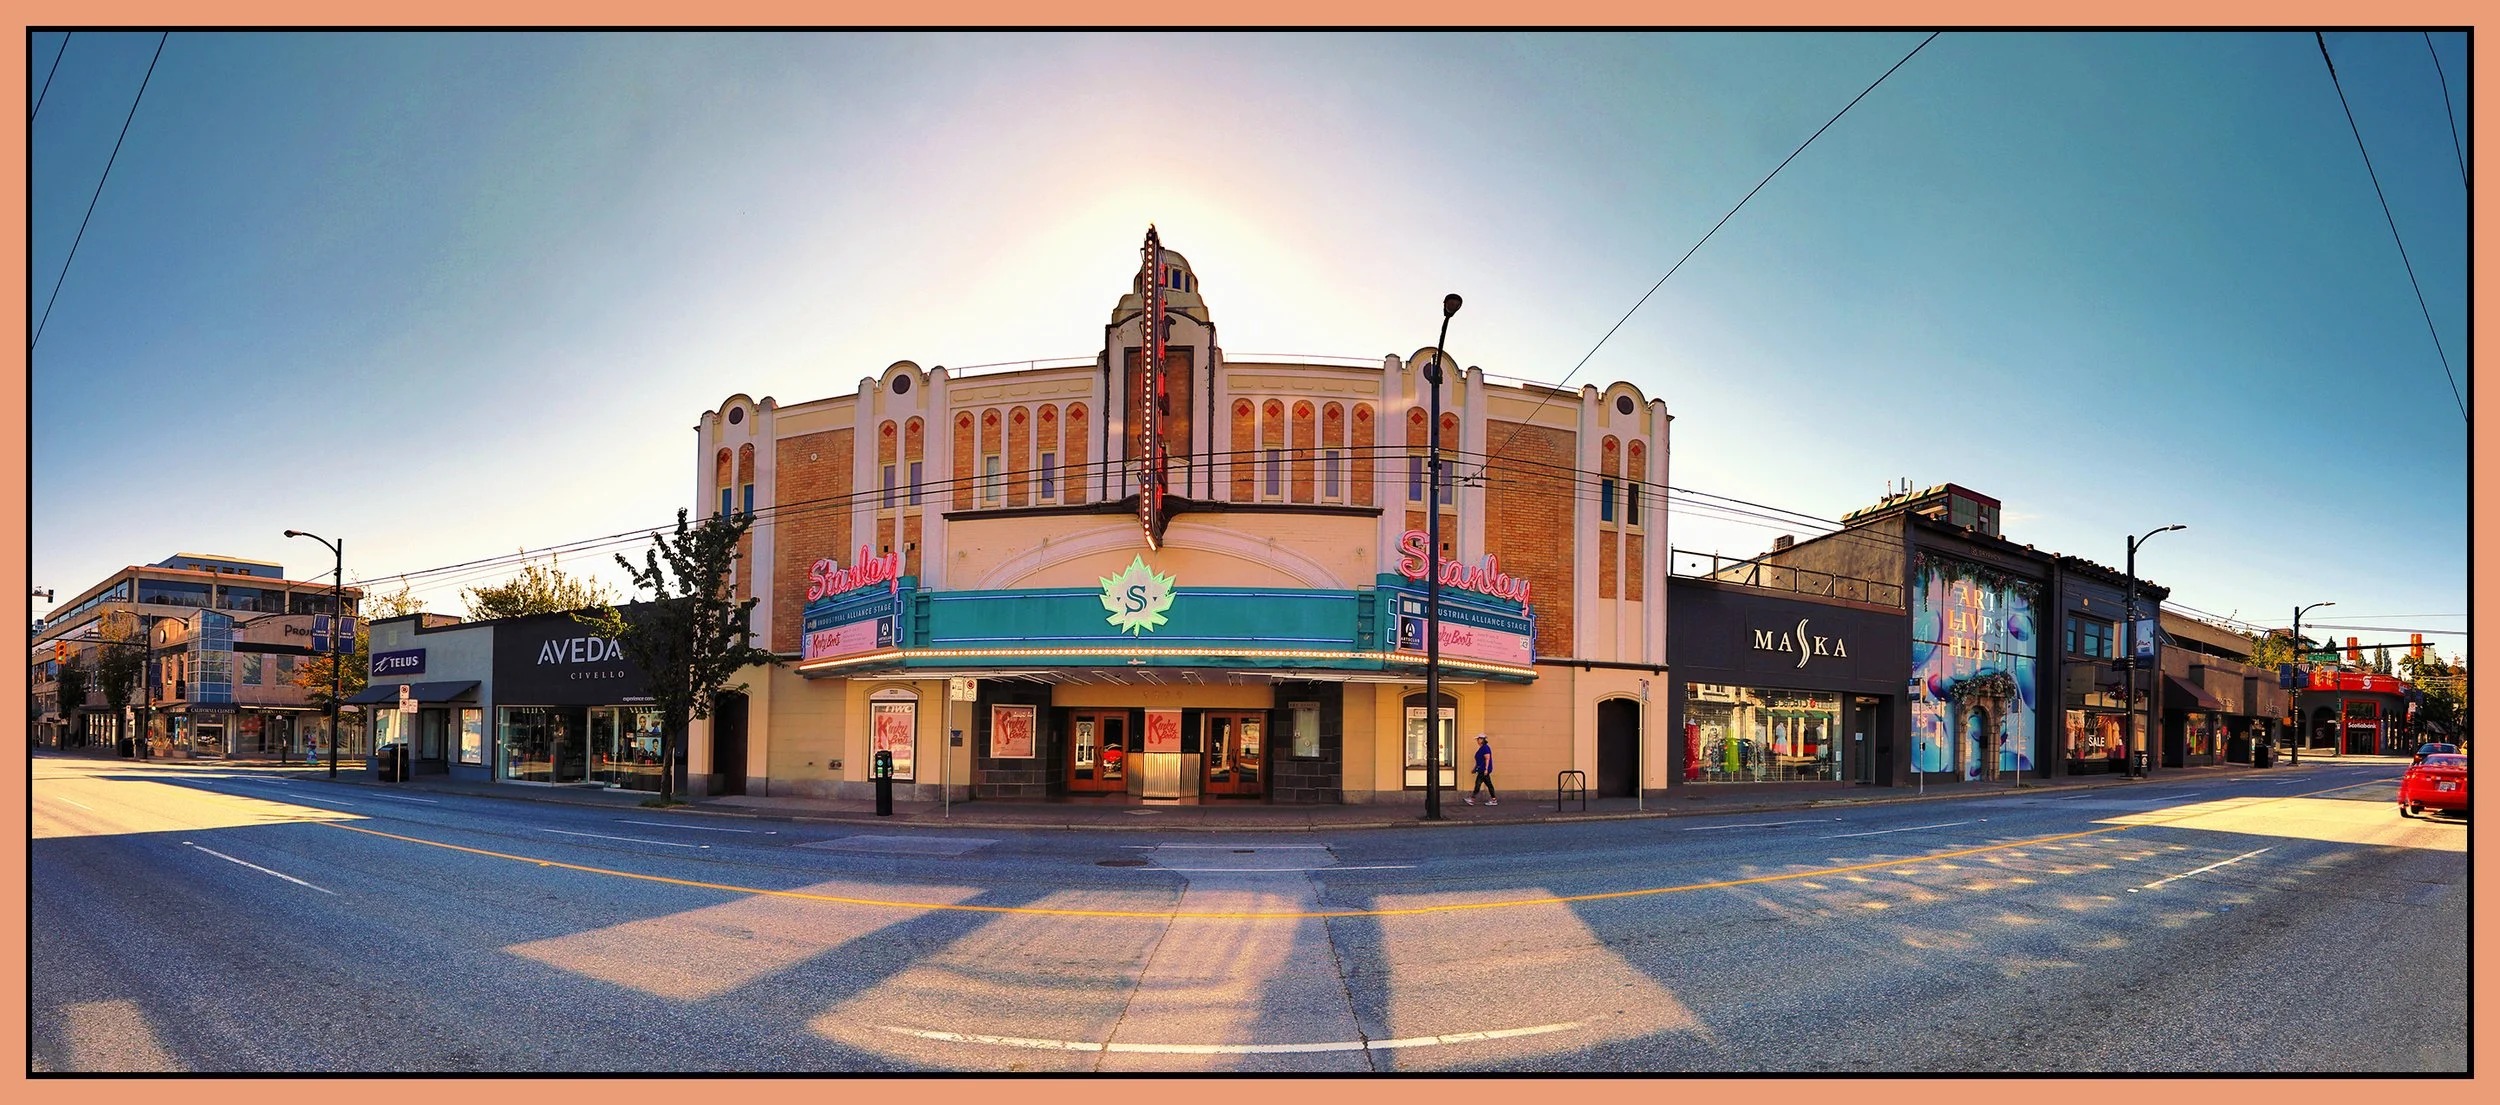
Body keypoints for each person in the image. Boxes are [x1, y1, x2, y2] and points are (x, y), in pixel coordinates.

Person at [1465, 733, 1498, 806]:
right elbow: (1479, 760)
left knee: (1478, 783)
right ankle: (1493, 799)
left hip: (1484, 770)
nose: (1477, 740)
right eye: (1477, 739)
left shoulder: (1485, 748)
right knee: (1488, 784)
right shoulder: (1482, 748)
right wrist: (1474, 769)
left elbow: (1487, 758)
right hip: (1481, 769)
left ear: (1482, 740)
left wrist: (1486, 769)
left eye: (1478, 739)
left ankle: (1472, 799)